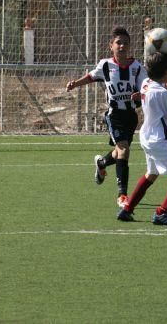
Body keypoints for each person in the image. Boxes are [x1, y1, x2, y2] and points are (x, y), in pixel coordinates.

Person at [67, 26, 144, 207]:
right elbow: (91, 77)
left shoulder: (137, 67)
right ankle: (123, 195)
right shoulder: (106, 65)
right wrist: (74, 84)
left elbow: (145, 87)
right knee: (124, 151)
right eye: (119, 43)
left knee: (119, 153)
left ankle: (101, 163)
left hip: (131, 116)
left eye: (126, 43)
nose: (122, 46)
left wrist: (140, 94)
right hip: (114, 114)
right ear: (111, 46)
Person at [117, 52, 167, 225]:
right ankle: (162, 212)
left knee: (151, 173)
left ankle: (127, 209)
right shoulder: (161, 92)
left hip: (146, 137)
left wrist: (139, 95)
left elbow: (146, 95)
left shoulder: (146, 83)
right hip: (161, 139)